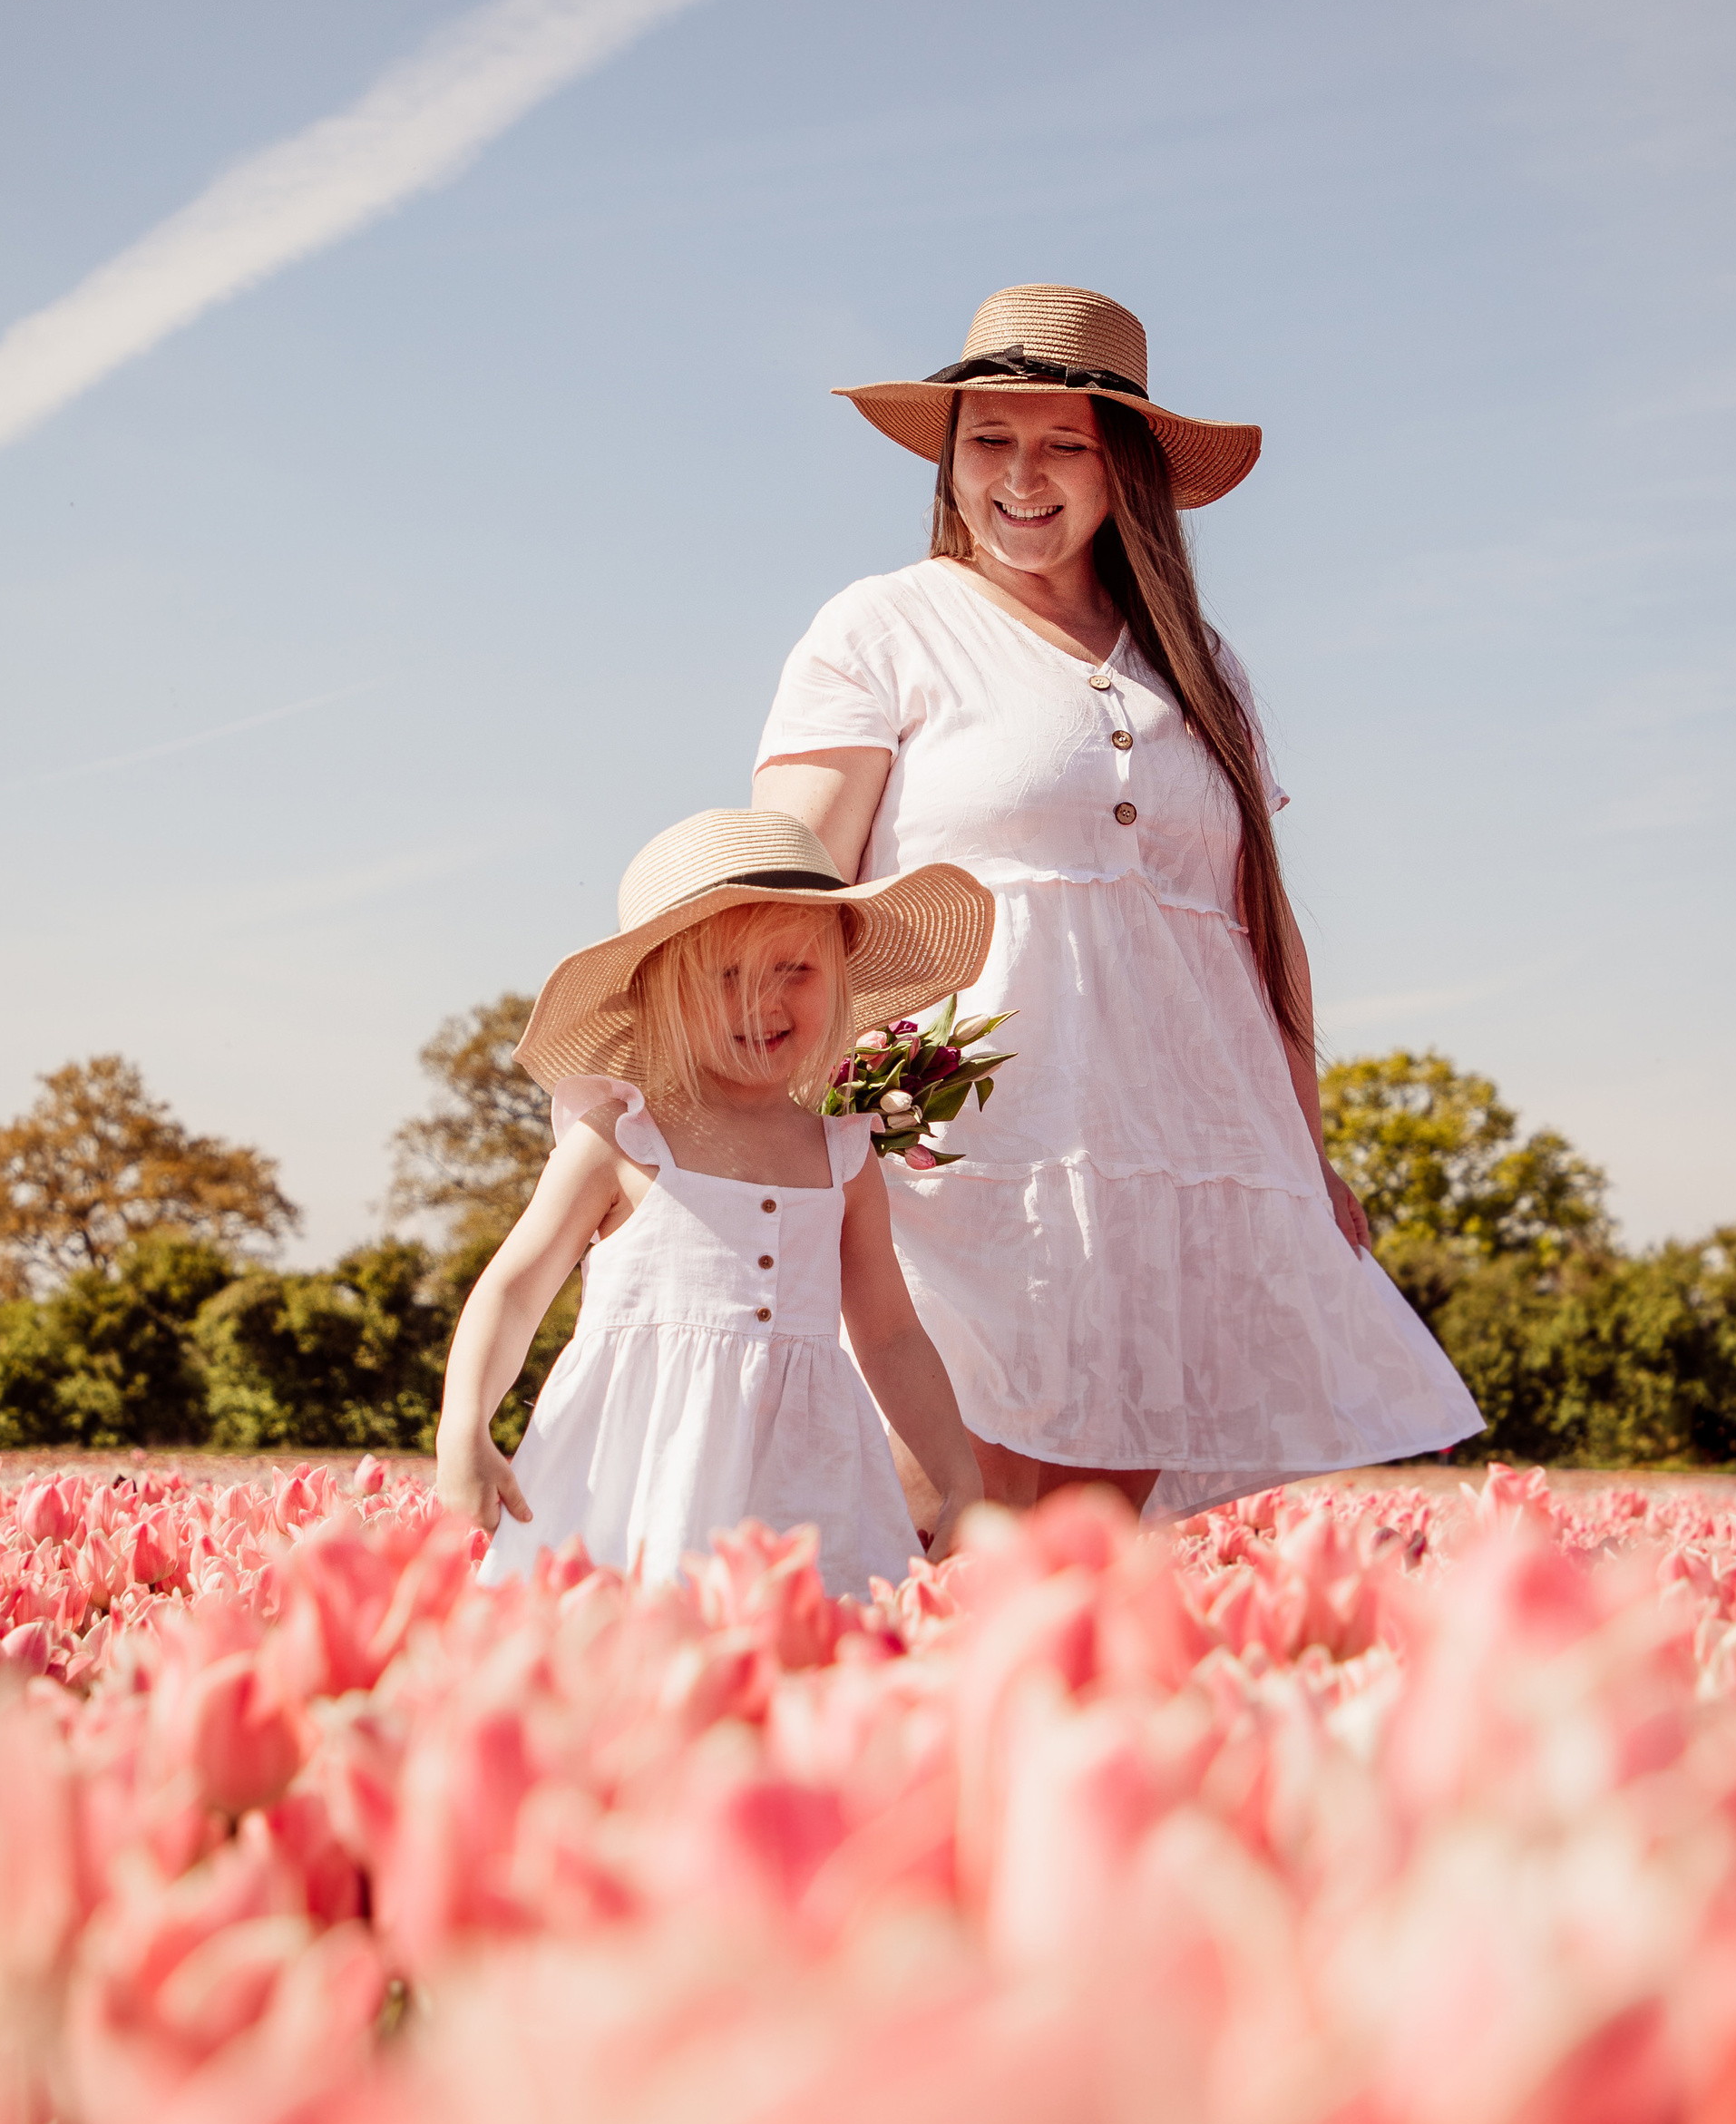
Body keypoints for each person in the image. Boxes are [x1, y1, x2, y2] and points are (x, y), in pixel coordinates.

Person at [753, 281, 1481, 1522]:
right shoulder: (882, 625)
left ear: (1122, 466)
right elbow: (789, 879)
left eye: (1062, 444)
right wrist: (743, 1097)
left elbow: (1263, 928)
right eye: (989, 437)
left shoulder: (1198, 659)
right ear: (949, 452)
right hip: (956, 1142)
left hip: (1175, 1163)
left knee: (1085, 1542)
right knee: (933, 1506)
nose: (1019, 475)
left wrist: (1308, 1150)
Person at [435, 807, 991, 1592]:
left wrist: (957, 1471)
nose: (764, 1002)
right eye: (725, 976)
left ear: (839, 973)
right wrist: (465, 1422)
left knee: (811, 1655)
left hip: (808, 1479)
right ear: (660, 991)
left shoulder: (843, 1155)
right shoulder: (620, 1139)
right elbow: (515, 1288)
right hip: (638, 1469)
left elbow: (892, 1333)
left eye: (795, 969)